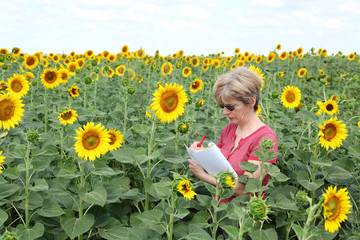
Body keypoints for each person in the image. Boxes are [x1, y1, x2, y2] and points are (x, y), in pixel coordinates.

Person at [188, 67, 278, 202]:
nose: (224, 112)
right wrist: (201, 154)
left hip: (242, 218)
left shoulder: (265, 138)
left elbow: (246, 190)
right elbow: (215, 166)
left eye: (230, 107)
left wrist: (202, 176)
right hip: (219, 211)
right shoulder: (229, 129)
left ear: (252, 101)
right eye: (222, 106)